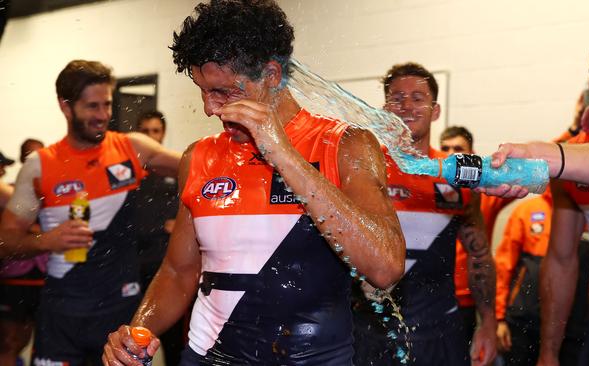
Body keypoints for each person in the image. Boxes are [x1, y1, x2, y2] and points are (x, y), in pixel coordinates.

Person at [103, 1, 405, 365]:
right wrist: (138, 333)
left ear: (272, 75)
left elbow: (386, 268)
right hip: (207, 355)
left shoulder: (346, 145)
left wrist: (283, 154)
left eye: (224, 92)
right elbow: (179, 271)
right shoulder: (199, 156)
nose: (209, 109)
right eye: (202, 89)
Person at [0, 60, 180, 366]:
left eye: (107, 105)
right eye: (92, 107)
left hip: (119, 310)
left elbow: (199, 165)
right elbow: (4, 240)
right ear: (65, 106)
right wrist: (45, 241)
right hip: (61, 314)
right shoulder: (40, 165)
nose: (103, 116)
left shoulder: (131, 148)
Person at [493, 26, 589, 366]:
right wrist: (549, 352)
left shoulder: (568, 159)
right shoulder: (575, 159)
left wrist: (550, 155)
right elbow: (562, 260)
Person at [352, 63, 496, 366]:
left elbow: (479, 255)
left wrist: (488, 324)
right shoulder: (360, 170)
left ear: (435, 110)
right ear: (384, 108)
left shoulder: (458, 176)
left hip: (440, 333)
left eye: (418, 98)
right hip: (369, 333)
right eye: (397, 98)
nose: (406, 106)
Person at [494, 187, 589, 366]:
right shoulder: (527, 210)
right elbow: (503, 266)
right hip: (523, 322)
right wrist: (498, 319)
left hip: (573, 328)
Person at [439, 126, 512, 348]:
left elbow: (529, 171)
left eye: (458, 149)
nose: (451, 154)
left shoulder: (484, 195)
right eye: (445, 148)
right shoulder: (423, 190)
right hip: (426, 298)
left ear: (471, 155)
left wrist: (573, 129)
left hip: (466, 301)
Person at [133, 110, 184, 366]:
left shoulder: (177, 169)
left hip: (168, 269)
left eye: (156, 131)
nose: (151, 136)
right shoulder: (128, 175)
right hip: (133, 269)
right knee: (134, 341)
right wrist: (159, 225)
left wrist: (182, 226)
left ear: (162, 133)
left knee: (175, 344)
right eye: (145, 132)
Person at [0, 139, 46, 366]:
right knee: (9, 342)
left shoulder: (55, 194)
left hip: (44, 280)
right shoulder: (8, 192)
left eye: (39, 157)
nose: (34, 162)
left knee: (44, 345)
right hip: (13, 280)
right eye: (29, 157)